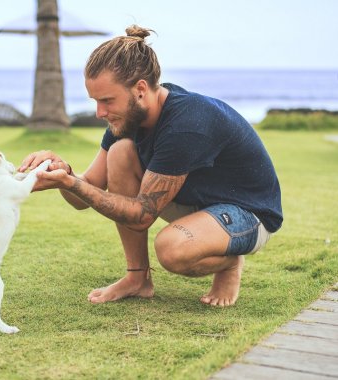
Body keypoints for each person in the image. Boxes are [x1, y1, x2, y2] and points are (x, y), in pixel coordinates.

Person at [18, 25, 283, 307]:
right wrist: (64, 172)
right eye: (96, 101)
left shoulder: (186, 123)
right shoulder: (127, 119)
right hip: (195, 202)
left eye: (107, 101)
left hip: (248, 214)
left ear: (140, 89)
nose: (100, 113)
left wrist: (71, 183)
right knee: (120, 153)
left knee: (171, 250)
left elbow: (143, 214)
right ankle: (137, 278)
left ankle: (228, 264)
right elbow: (87, 192)